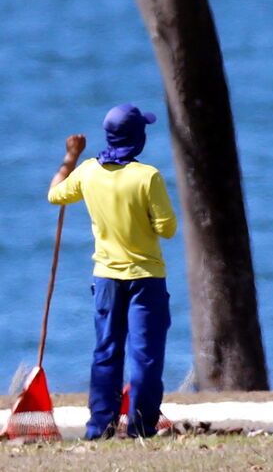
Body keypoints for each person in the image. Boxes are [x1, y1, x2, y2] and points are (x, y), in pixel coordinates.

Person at [48, 104, 177, 440]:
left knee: (106, 350)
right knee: (145, 356)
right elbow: (167, 228)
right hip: (146, 277)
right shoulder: (148, 176)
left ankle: (99, 427)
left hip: (105, 277)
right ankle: (140, 426)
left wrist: (70, 158)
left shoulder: (88, 171)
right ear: (138, 138)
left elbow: (55, 194)